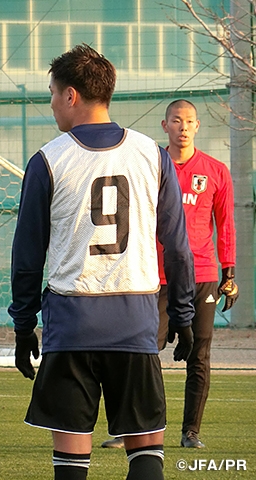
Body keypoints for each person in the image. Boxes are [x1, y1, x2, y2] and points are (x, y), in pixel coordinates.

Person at [8, 44, 196, 480]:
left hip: (71, 326)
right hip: (135, 322)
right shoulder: (153, 154)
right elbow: (177, 246)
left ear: (70, 95)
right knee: (146, 457)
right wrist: (182, 315)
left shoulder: (48, 159)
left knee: (71, 465)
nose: (51, 103)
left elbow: (27, 255)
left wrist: (23, 325)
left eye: (52, 93)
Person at [102, 99, 238, 450]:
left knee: (199, 355)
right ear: (165, 126)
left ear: (197, 126)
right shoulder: (150, 166)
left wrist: (229, 272)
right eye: (176, 121)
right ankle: (133, 429)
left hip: (203, 276)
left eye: (189, 121)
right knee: (143, 351)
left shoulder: (216, 171)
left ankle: (191, 432)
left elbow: (225, 224)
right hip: (156, 276)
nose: (183, 127)